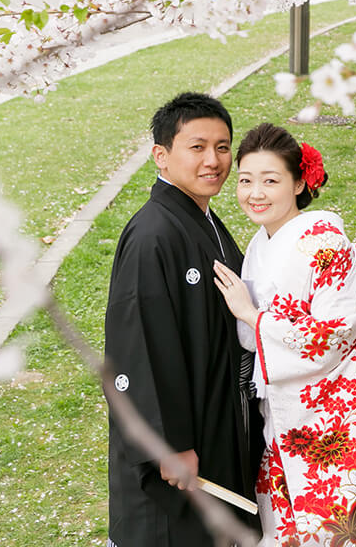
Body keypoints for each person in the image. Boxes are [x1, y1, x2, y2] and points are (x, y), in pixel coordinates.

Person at [212, 122, 356, 546]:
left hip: (331, 418)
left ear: (300, 181)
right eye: (246, 180)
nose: (255, 193)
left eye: (271, 180)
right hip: (283, 413)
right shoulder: (258, 247)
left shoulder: (326, 244)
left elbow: (332, 335)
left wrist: (254, 317)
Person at [104, 92, 263, 547]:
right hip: (177, 448)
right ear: (161, 155)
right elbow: (138, 346)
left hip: (213, 422)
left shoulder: (204, 221)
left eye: (222, 146)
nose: (213, 160)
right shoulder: (152, 234)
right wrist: (165, 444)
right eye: (197, 147)